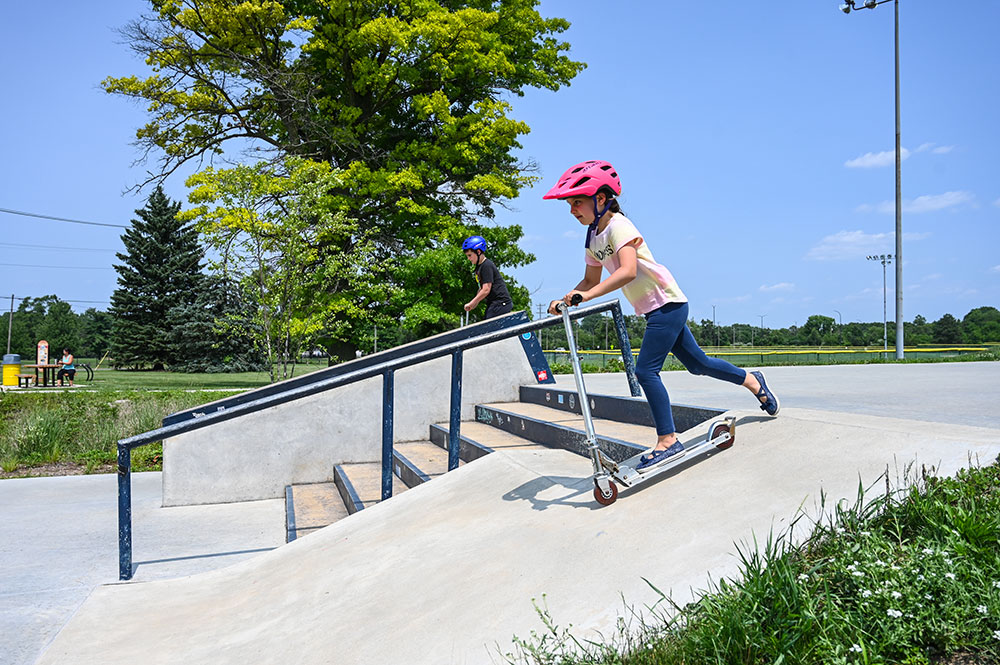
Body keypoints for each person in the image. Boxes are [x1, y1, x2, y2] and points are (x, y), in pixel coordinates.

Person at [543, 159, 779, 471]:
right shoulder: (593, 236)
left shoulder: (619, 227)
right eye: (569, 204)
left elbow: (627, 271)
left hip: (667, 303)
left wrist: (585, 296)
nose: (573, 210)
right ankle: (753, 381)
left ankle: (668, 440)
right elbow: (589, 281)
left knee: (645, 371)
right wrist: (566, 298)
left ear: (600, 199)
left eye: (577, 202)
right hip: (654, 308)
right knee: (698, 364)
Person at [462, 235, 513, 319]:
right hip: (494, 303)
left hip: (501, 303)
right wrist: (475, 303)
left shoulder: (486, 265)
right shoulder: (479, 267)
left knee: (488, 327)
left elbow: (486, 289)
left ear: (478, 252)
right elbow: (481, 288)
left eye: (470, 255)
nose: (468, 258)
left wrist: (472, 302)